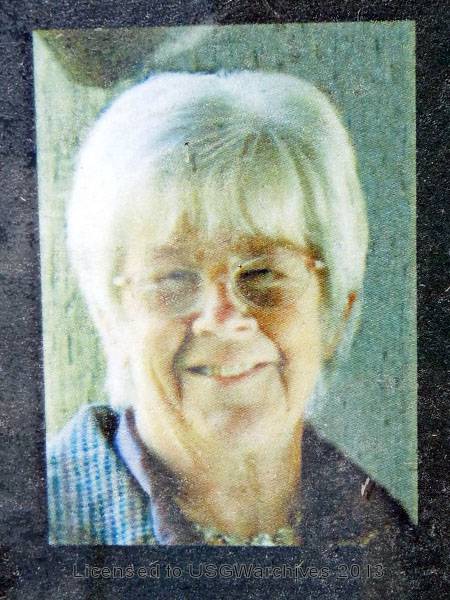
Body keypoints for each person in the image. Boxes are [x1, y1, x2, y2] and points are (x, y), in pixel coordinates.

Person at [47, 70, 412, 547]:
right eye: (173, 278)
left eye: (263, 273)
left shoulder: (392, 540)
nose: (223, 319)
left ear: (336, 311)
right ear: (110, 316)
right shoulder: (36, 528)